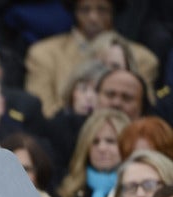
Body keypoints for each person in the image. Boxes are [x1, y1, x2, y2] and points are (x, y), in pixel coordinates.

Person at [25, 0, 159, 118]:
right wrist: (73, 110)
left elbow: (144, 112)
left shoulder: (143, 58)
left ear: (113, 11)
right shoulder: (44, 54)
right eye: (85, 9)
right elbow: (42, 112)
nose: (93, 17)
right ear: (75, 11)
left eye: (102, 9)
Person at [54, 108, 130, 197]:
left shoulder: (135, 190)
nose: (102, 148)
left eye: (110, 141)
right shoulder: (68, 193)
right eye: (95, 142)